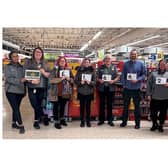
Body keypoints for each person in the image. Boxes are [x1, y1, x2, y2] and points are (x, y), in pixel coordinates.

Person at [24, 47, 50, 129]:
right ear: (33, 53)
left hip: (42, 86)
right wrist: (31, 81)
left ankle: (36, 121)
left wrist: (44, 72)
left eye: (40, 52)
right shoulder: (28, 62)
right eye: (36, 52)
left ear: (42, 54)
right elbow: (24, 73)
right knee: (34, 103)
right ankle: (43, 115)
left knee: (39, 104)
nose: (38, 53)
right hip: (32, 86)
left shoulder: (45, 62)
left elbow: (49, 74)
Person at [120, 49, 146, 129]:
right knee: (125, 106)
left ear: (136, 55)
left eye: (134, 54)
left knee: (137, 107)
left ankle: (137, 123)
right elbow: (123, 75)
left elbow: (144, 74)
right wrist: (124, 84)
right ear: (130, 55)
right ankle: (124, 122)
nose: (133, 55)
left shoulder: (141, 64)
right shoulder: (126, 64)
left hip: (136, 89)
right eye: (132, 54)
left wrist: (138, 79)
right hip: (127, 88)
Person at [48, 56, 74, 129]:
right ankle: (56, 121)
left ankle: (62, 119)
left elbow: (73, 80)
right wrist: (60, 79)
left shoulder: (68, 70)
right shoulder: (54, 69)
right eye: (61, 61)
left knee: (63, 106)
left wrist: (69, 79)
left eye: (64, 61)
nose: (62, 62)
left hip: (65, 91)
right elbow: (51, 80)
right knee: (56, 107)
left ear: (65, 62)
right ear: (58, 62)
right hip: (56, 91)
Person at [5, 51, 26, 134]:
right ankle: (21, 125)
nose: (16, 58)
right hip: (10, 90)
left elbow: (25, 78)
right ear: (10, 58)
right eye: (14, 56)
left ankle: (14, 123)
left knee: (16, 107)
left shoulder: (22, 67)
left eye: (17, 56)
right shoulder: (8, 67)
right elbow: (9, 79)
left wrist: (25, 90)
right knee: (16, 108)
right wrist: (20, 80)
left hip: (20, 91)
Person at [97, 54, 120, 126]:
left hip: (111, 88)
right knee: (102, 105)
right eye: (106, 59)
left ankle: (110, 120)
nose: (107, 60)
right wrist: (99, 80)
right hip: (102, 88)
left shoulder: (114, 68)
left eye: (109, 59)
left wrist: (113, 81)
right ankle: (101, 120)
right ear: (104, 60)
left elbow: (118, 77)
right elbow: (96, 76)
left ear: (111, 60)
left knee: (110, 105)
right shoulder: (100, 68)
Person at [146, 60, 168, 132]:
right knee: (153, 113)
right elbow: (149, 84)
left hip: (165, 97)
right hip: (155, 96)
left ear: (166, 65)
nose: (162, 65)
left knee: (163, 113)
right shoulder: (153, 74)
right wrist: (148, 94)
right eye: (161, 64)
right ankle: (154, 124)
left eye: (164, 64)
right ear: (159, 65)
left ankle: (161, 125)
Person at [75, 58, 96, 127]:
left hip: (89, 91)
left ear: (89, 63)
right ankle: (82, 121)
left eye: (88, 62)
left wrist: (90, 82)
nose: (86, 63)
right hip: (81, 91)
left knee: (88, 107)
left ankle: (88, 121)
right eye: (85, 62)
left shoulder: (92, 71)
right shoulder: (79, 70)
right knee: (82, 107)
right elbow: (75, 80)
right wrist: (80, 82)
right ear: (83, 63)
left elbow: (95, 82)